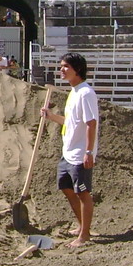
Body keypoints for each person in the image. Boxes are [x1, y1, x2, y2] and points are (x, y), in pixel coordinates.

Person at [40, 52, 99, 247]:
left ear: (78, 69)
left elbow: (91, 124)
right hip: (68, 151)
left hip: (80, 153)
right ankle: (82, 225)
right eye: (61, 66)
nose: (62, 70)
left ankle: (85, 235)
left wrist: (89, 152)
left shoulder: (86, 93)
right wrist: (50, 116)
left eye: (66, 66)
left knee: (83, 193)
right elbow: (71, 123)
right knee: (66, 188)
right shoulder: (73, 93)